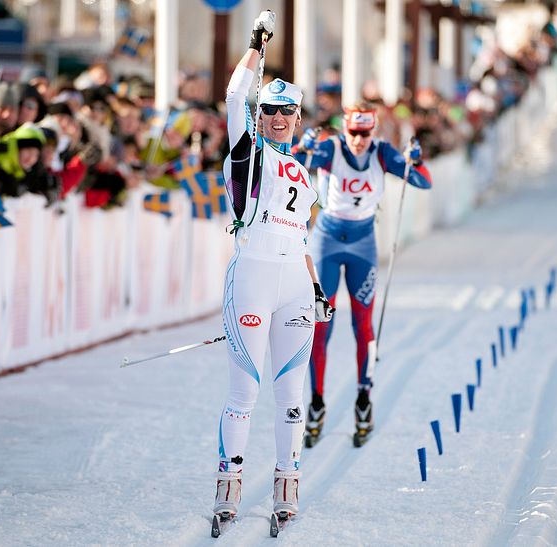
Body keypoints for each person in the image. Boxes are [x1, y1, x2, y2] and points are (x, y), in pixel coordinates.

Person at [212, 9, 334, 529]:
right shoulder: (247, 152)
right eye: (271, 112)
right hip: (254, 281)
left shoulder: (304, 173)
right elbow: (235, 96)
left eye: (287, 112)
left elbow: (301, 237)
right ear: (261, 117)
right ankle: (228, 487)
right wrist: (255, 47)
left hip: (294, 287)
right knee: (246, 393)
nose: (278, 119)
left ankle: (287, 485)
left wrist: (317, 286)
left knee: (291, 395)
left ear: (299, 118)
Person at [294, 103, 432, 446]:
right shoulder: (332, 147)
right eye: (353, 132)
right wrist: (304, 146)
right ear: (345, 129)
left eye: (364, 133)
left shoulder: (382, 153)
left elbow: (422, 182)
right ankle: (317, 401)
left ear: (373, 131)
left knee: (364, 324)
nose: (357, 140)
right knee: (321, 323)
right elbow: (293, 166)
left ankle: (363, 399)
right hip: (326, 240)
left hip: (362, 244)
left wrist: (417, 159)